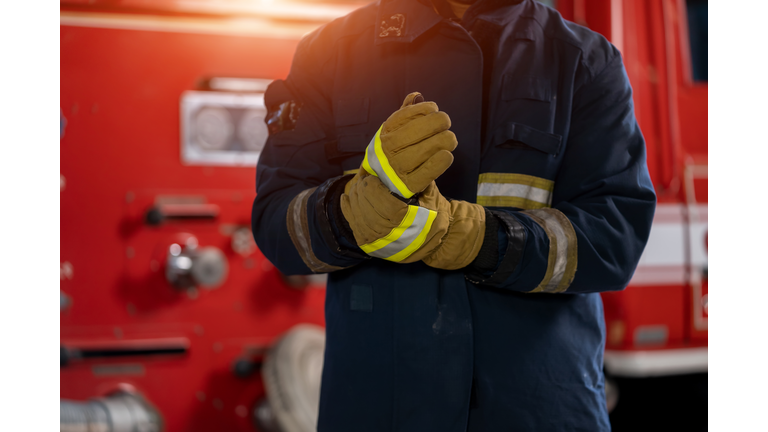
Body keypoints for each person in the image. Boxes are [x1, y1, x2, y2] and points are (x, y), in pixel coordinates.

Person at [251, 0, 656, 430]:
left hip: (536, 409)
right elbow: (277, 220)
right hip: (376, 411)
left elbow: (615, 238)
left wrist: (483, 240)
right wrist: (347, 214)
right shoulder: (330, 53)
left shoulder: (583, 61)